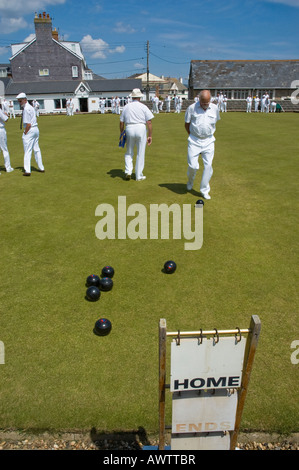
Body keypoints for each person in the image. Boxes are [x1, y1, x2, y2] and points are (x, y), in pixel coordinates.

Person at [185, 89, 220, 200]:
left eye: (207, 103)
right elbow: (187, 124)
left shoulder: (215, 108)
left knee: (208, 166)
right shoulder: (191, 108)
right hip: (194, 140)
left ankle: (204, 190)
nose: (205, 105)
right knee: (193, 166)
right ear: (199, 99)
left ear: (210, 100)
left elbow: (215, 123)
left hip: (209, 141)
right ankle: (190, 181)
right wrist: (192, 135)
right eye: (203, 102)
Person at [119, 88, 154, 181]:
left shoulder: (126, 106)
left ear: (132, 97)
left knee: (129, 151)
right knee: (140, 153)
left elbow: (121, 122)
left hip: (129, 128)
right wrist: (150, 135)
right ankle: (138, 176)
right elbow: (149, 122)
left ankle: (128, 171)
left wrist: (122, 133)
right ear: (139, 97)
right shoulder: (143, 106)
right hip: (141, 128)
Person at [17, 92, 45, 176]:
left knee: (27, 150)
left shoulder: (26, 109)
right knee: (37, 149)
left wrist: (25, 133)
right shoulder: (31, 107)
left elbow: (28, 124)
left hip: (30, 129)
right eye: (18, 101)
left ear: (25, 100)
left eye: (20, 101)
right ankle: (41, 168)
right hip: (36, 129)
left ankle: (27, 170)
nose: (19, 103)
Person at [0, 103, 14, 173]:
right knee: (4, 149)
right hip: (0, 130)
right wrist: (5, 114)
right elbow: (6, 119)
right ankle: (8, 167)